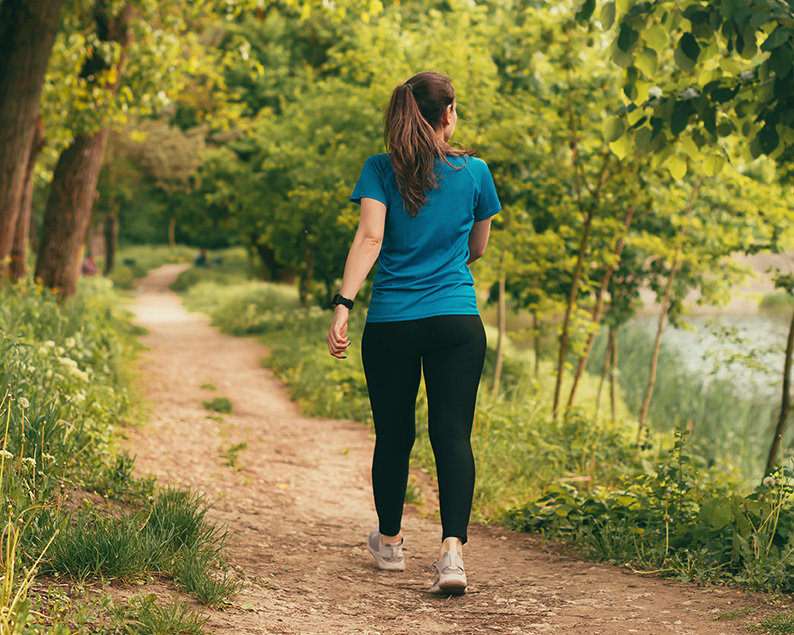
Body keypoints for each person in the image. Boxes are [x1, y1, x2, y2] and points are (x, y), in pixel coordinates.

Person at [325, 71, 500, 595]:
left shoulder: (379, 170)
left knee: (395, 434)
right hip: (456, 322)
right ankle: (452, 554)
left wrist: (343, 304)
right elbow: (477, 249)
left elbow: (371, 236)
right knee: (452, 434)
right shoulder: (476, 173)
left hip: (392, 323)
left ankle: (393, 543)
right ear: (448, 114)